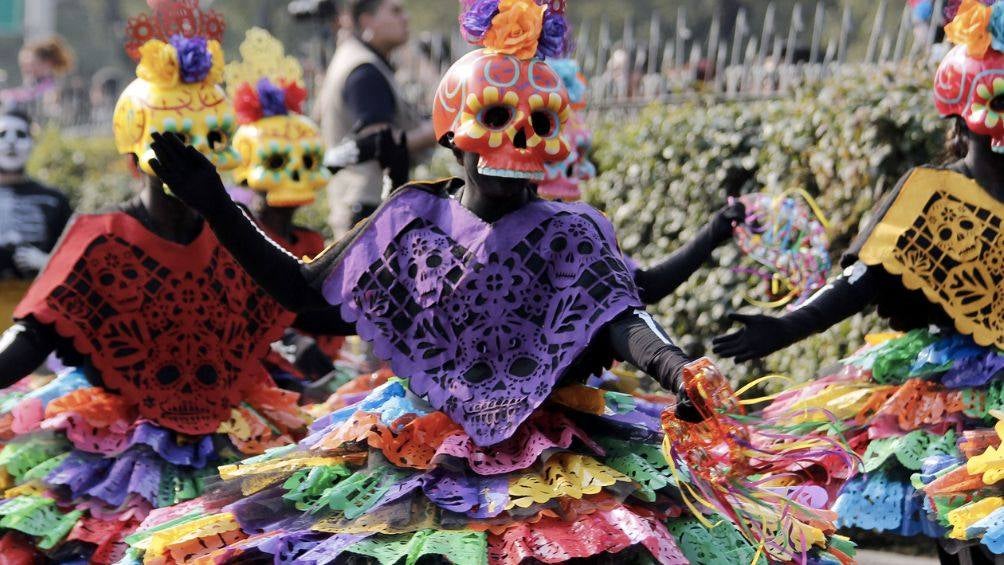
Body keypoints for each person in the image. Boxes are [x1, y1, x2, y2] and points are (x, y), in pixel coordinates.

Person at [134, 1, 848, 562]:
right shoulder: (409, 221)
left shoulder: (574, 230)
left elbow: (622, 312)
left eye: (540, 123)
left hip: (563, 460)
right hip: (420, 456)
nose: (521, 141)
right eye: (501, 117)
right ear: (452, 131)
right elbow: (304, 291)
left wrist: (673, 367)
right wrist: (217, 205)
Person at [0, 5, 311, 560]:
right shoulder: (100, 241)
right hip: (117, 455)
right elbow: (33, 335)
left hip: (235, 443)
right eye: (171, 139)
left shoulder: (238, 238)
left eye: (207, 137)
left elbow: (306, 304)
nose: (187, 158)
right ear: (136, 142)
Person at [714, 4, 1004, 562]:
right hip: (956, 392)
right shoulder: (931, 194)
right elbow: (864, 278)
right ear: (965, 113)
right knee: (965, 528)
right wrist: (784, 327)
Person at [315, 0, 437, 236]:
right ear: (366, 21)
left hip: (361, 206)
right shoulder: (364, 71)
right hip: (366, 210)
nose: (406, 18)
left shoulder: (359, 59)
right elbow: (381, 144)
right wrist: (439, 129)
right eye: (395, 11)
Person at [0, 109, 72, 334]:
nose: (11, 143)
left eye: (20, 135)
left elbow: (74, 260)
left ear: (32, 142)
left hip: (38, 312)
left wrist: (46, 262)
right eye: (2, 135)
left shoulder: (54, 200)